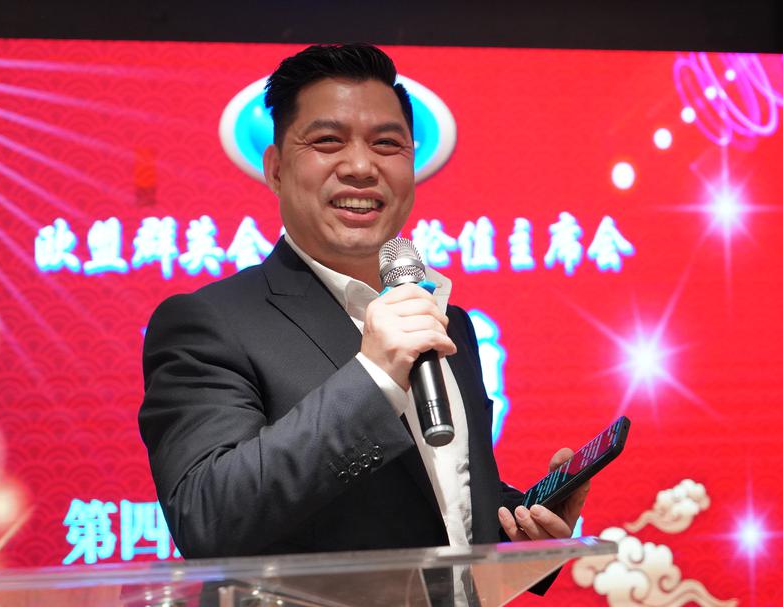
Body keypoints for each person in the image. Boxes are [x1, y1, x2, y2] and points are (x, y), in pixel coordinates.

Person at [139, 44, 587, 564]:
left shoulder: (448, 324)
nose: (359, 167)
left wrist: (521, 527)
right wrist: (373, 376)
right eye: (328, 141)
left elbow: (441, 501)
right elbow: (207, 516)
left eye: (386, 144)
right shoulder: (209, 324)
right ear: (276, 168)